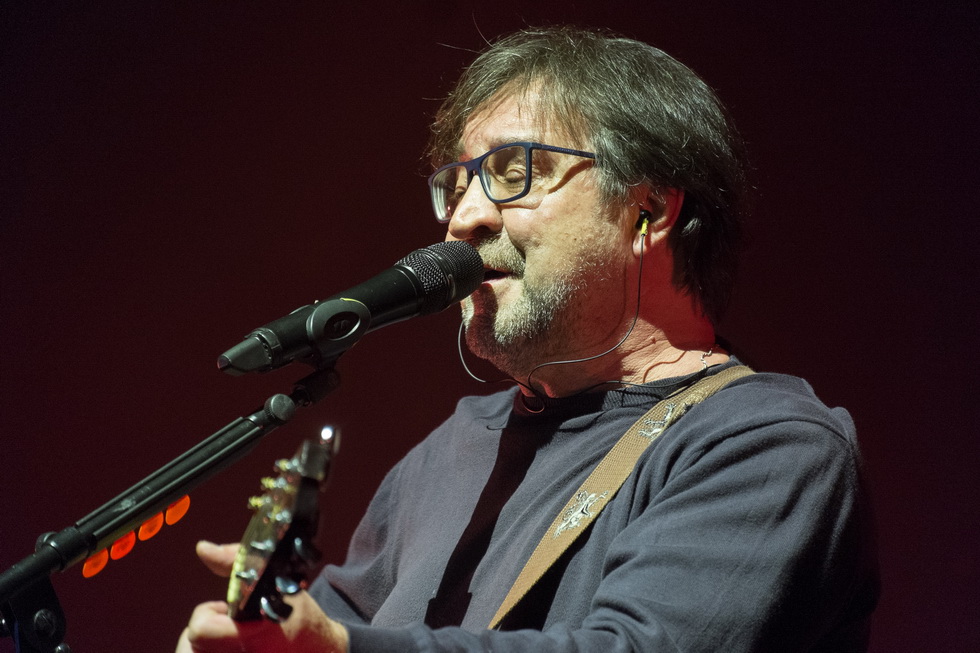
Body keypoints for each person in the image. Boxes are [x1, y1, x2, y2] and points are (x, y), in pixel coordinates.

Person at [177, 26, 879, 652]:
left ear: (648, 209)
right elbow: (335, 627)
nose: (463, 218)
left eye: (514, 173)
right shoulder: (444, 456)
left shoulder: (768, 445)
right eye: (457, 184)